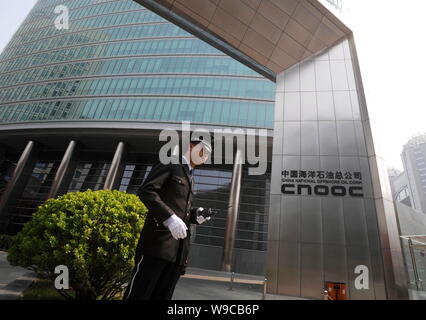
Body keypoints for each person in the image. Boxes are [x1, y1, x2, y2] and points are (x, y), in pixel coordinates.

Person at [123, 136, 214, 300]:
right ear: (191, 146)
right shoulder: (171, 163)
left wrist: (195, 215)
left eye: (208, 153)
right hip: (157, 246)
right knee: (139, 295)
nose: (205, 155)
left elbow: (180, 209)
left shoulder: (190, 177)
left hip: (177, 254)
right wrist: (169, 217)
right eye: (203, 150)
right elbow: (147, 191)